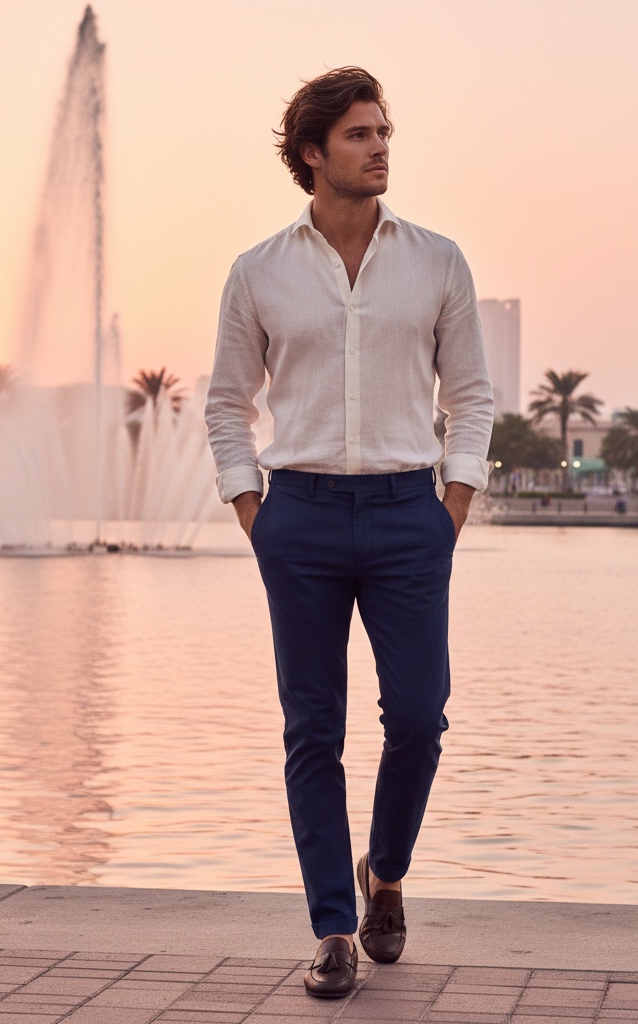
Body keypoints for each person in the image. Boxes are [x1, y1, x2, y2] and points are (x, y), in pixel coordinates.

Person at [204, 67, 493, 998]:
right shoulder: (259, 271)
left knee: (417, 718)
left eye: (384, 132)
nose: (381, 149)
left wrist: (451, 503)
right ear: (312, 154)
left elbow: (473, 396)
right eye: (362, 135)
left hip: (413, 514)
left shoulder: (438, 260)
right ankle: (331, 925)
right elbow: (225, 405)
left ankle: (388, 875)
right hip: (303, 519)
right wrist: (256, 512)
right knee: (312, 729)